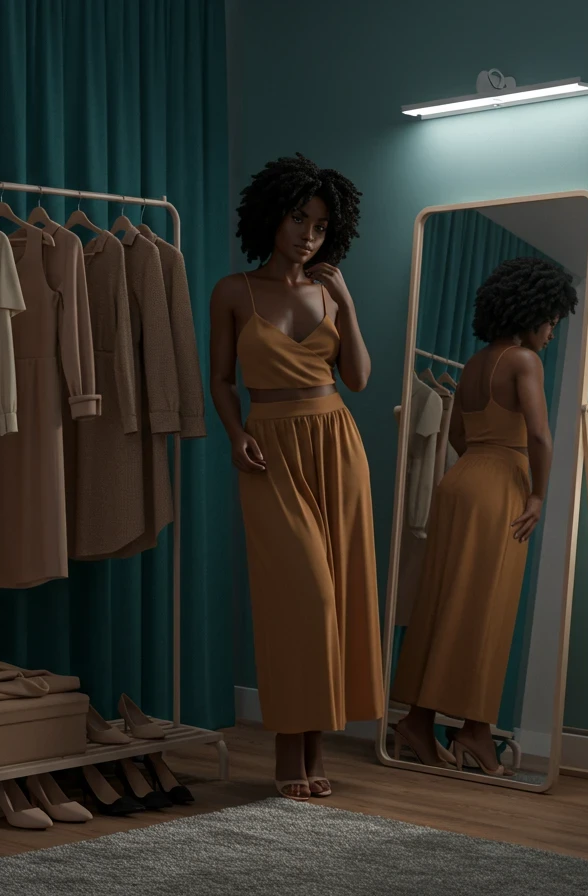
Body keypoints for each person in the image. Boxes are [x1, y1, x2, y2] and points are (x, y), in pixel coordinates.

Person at [208, 153, 382, 801]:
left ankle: (314, 752)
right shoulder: (234, 291)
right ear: (271, 217)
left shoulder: (328, 292)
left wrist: (347, 304)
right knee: (301, 599)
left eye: (320, 224)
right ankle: (289, 750)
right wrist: (237, 436)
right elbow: (221, 380)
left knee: (338, 597)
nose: (308, 233)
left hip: (337, 443)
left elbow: (359, 379)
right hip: (271, 448)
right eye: (297, 217)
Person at [390, 257, 577, 777]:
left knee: (445, 602)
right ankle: (472, 731)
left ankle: (420, 722)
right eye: (552, 321)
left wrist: (486, 459)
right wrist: (538, 495)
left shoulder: (474, 364)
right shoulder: (523, 361)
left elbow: (457, 436)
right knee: (485, 608)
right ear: (532, 313)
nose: (552, 333)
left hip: (462, 480)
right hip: (501, 487)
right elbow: (540, 435)